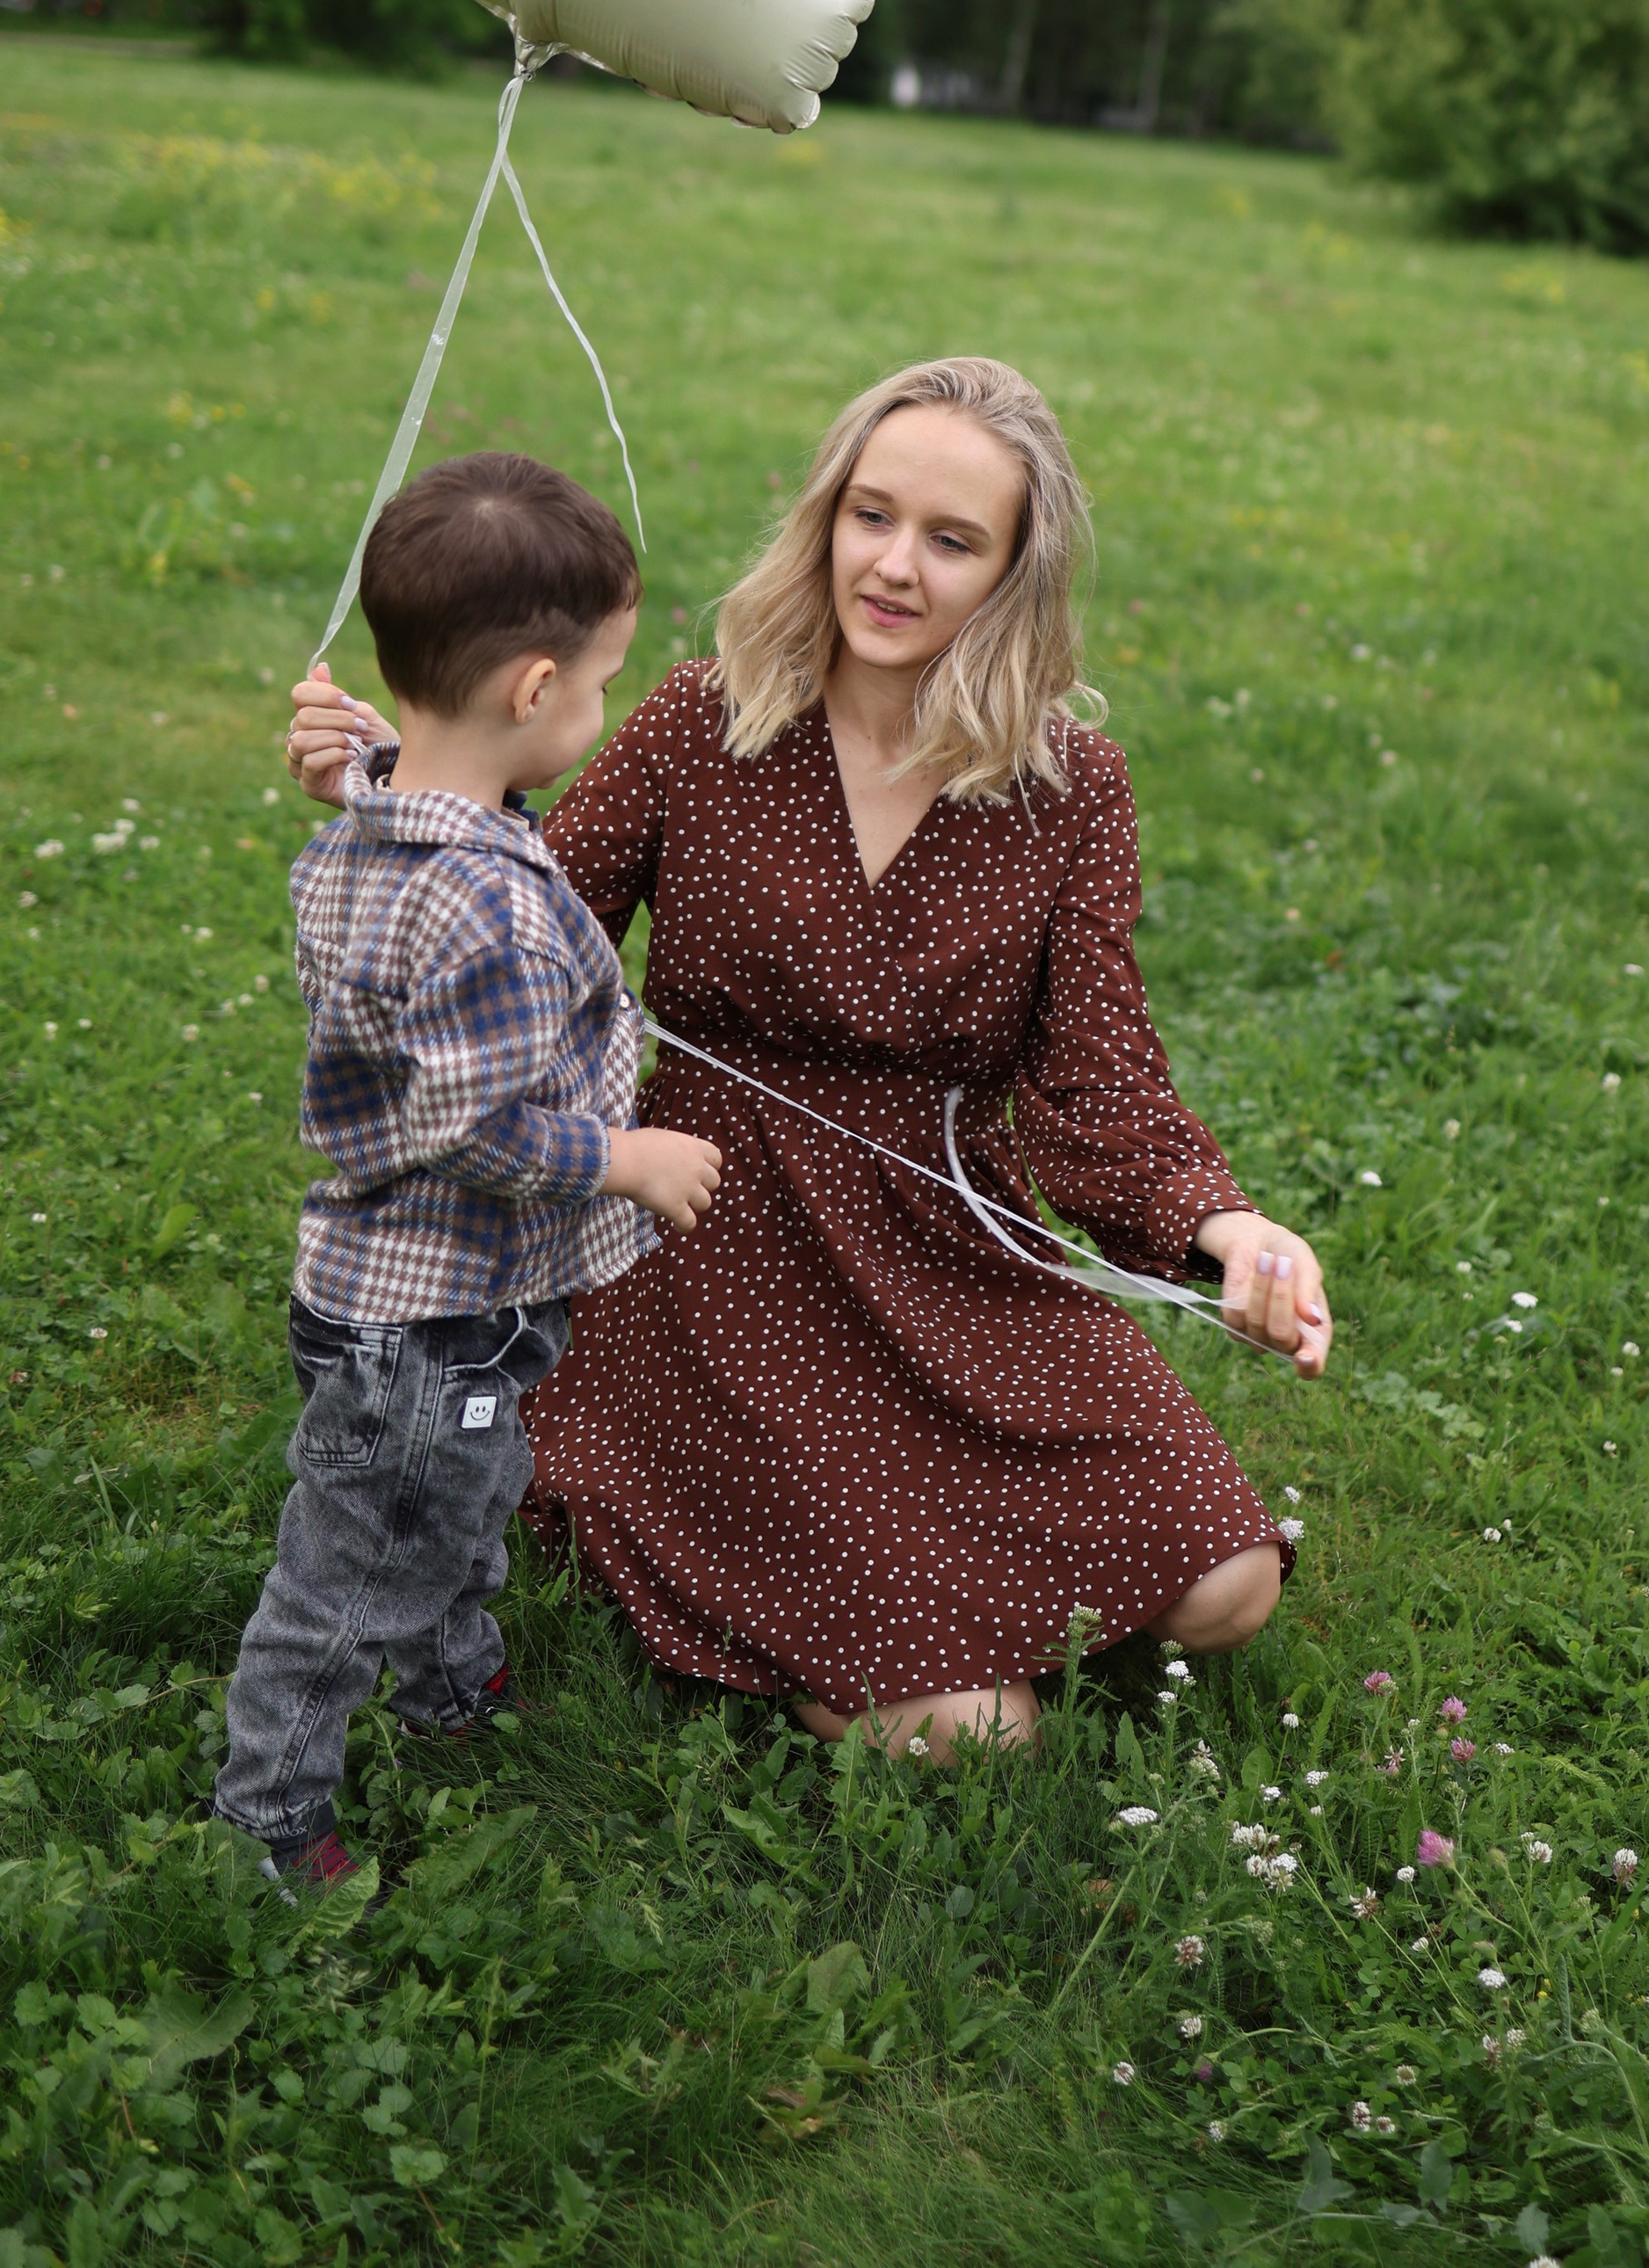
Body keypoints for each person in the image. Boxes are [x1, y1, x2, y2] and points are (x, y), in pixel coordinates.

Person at [287, 360, 1328, 1762]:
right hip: (712, 1226)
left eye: (951, 540)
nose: (892, 567)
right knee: (973, 1733)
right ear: (826, 515)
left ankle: (919, 1590)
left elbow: (1098, 1074)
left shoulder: (1072, 789)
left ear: (1014, 574)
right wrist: (395, 780)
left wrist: (1230, 1230)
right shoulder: (704, 720)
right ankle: (745, 1571)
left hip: (947, 1237)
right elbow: (521, 915)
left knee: (1229, 1589)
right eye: (870, 515)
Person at [214, 454, 721, 1894]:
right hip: (436, 1324)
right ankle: (268, 1818)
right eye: (601, 684)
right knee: (355, 1569)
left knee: (458, 1500)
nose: (604, 708)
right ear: (533, 689)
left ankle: (452, 1687)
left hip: (381, 1291)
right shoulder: (488, 903)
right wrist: (622, 1157)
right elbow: (479, 1130)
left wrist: (376, 757)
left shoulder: (366, 830)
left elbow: (430, 809)